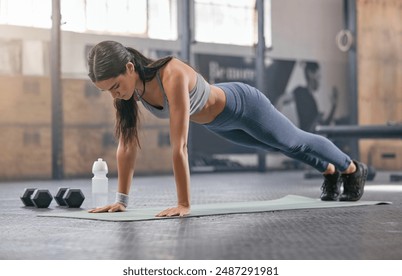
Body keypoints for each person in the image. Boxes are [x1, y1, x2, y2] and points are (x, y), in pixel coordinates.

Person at [87, 40, 368, 217]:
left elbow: (180, 146)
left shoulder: (170, 74)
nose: (113, 94)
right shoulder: (128, 93)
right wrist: (121, 200)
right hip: (219, 123)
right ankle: (329, 172)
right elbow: (126, 145)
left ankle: (351, 168)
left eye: (114, 86)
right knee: (277, 146)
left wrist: (184, 204)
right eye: (106, 91)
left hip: (243, 105)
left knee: (294, 140)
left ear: (129, 67)